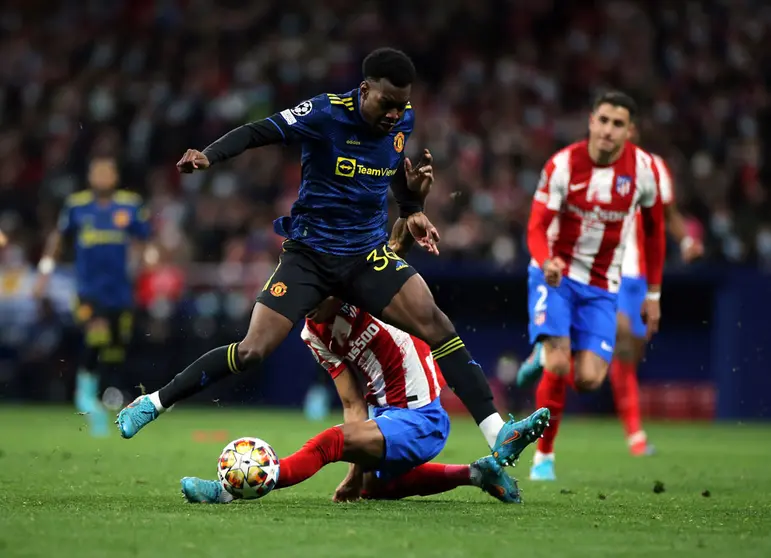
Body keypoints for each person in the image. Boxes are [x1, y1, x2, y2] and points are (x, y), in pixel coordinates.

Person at [116, 47, 549, 466]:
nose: (395, 114)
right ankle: (154, 401)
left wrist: (413, 210)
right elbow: (259, 130)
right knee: (251, 351)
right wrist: (209, 156)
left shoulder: (402, 121)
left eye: (403, 105)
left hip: (365, 255)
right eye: (387, 103)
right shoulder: (325, 113)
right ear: (364, 89)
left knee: (437, 324)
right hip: (309, 256)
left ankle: (498, 432)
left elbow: (393, 164)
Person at [180, 294, 524, 504]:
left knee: (330, 441)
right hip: (385, 415)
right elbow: (351, 403)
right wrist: (356, 472)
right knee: (374, 487)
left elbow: (391, 250)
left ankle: (229, 491)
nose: (306, 304)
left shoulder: (367, 291)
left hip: (422, 417)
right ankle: (479, 474)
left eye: (314, 292)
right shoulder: (312, 333)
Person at [514, 91, 666, 481]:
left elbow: (654, 232)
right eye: (603, 121)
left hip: (602, 285)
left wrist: (653, 294)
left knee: (589, 379)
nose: (608, 131)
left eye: (618, 124)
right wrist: (545, 257)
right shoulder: (563, 165)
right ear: (590, 121)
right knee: (561, 362)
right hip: (556, 275)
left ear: (630, 130)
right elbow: (535, 224)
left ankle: (542, 355)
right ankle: (543, 457)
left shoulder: (645, 170)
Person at [35, 156, 152, 436]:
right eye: (97, 171)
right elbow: (58, 238)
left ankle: (102, 395)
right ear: (89, 176)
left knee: (115, 345)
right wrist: (44, 272)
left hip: (120, 290)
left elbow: (144, 240)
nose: (102, 176)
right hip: (88, 290)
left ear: (115, 176)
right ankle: (84, 395)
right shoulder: (77, 206)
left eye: (107, 171)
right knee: (96, 332)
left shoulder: (130, 205)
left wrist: (147, 260)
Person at [610, 144, 703, 456]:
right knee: (621, 336)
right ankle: (635, 434)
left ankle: (633, 431)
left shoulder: (654, 168)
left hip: (640, 279)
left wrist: (687, 240)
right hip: (608, 272)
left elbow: (669, 214)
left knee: (630, 355)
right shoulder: (596, 165)